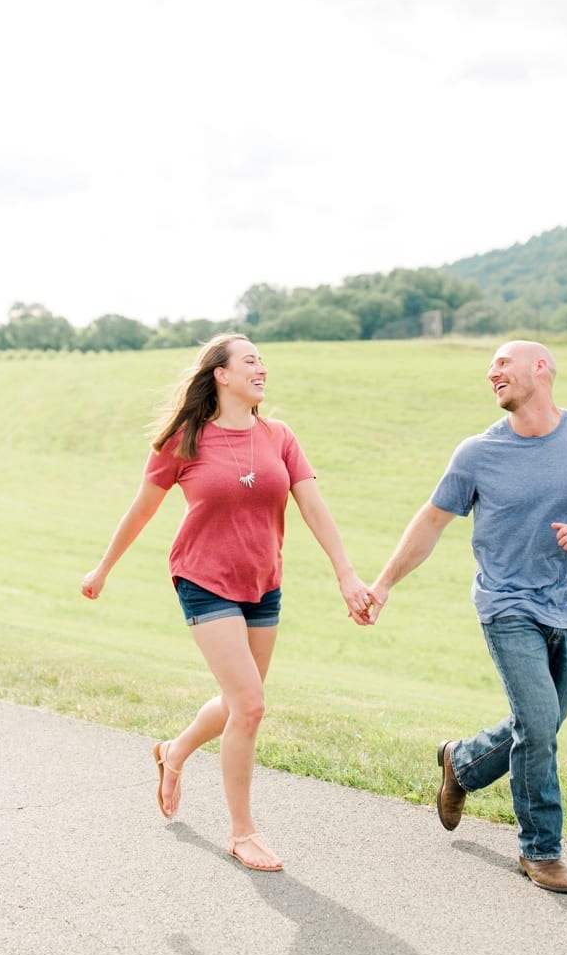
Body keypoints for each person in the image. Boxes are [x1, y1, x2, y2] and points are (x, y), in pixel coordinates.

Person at [81, 333, 371, 872]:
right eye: (251, 361)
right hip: (203, 578)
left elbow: (313, 506)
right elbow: (141, 510)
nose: (262, 368)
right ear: (222, 374)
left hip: (262, 582)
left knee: (241, 700)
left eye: (263, 361)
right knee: (251, 705)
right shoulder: (184, 439)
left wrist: (347, 576)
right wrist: (103, 568)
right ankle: (243, 833)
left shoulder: (280, 436)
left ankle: (174, 750)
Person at [360, 340, 567, 892]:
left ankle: (460, 763)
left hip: (564, 606)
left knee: (543, 724)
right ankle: (541, 851)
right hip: (505, 605)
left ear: (541, 368)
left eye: (502, 363)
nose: (491, 373)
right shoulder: (478, 453)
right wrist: (384, 582)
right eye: (490, 367)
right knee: (538, 726)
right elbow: (432, 520)